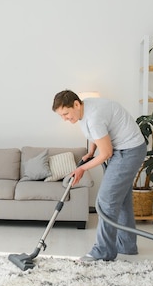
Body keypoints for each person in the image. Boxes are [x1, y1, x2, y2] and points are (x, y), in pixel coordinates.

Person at [52, 90, 147, 262]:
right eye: (61, 116)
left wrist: (81, 169)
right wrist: (91, 151)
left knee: (106, 201)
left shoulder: (94, 117)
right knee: (121, 200)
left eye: (66, 114)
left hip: (128, 151)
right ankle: (127, 245)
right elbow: (99, 136)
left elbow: (107, 153)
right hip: (122, 149)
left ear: (76, 104)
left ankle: (103, 251)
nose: (65, 119)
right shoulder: (85, 109)